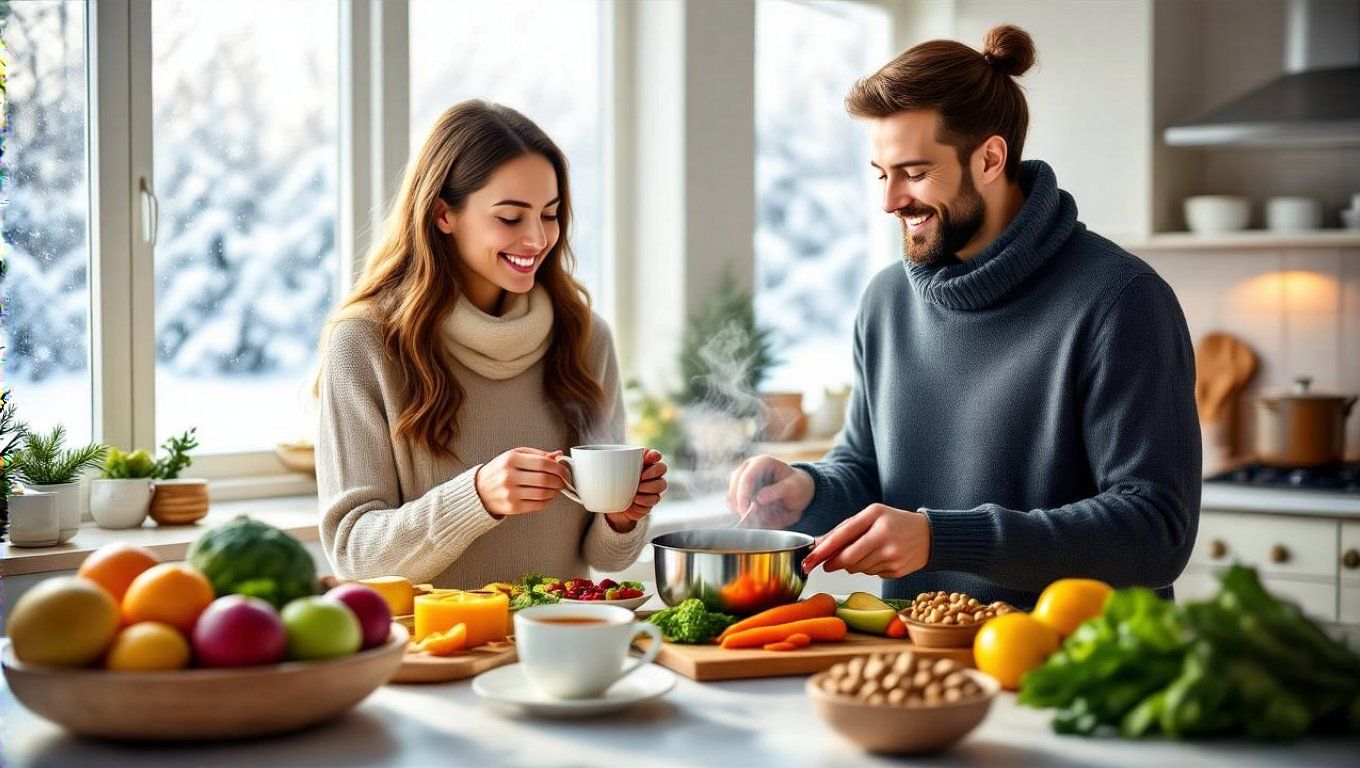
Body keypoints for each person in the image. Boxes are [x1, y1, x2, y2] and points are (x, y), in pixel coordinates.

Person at [727, 26, 1199, 606]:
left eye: (916, 172)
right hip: (917, 663)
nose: (890, 201)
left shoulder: (1121, 300)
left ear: (990, 158)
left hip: (1076, 674)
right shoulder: (886, 301)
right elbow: (867, 468)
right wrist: (806, 490)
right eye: (882, 174)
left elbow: (1156, 534)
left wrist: (944, 539)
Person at [317, 101, 666, 586]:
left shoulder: (585, 339)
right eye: (509, 218)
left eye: (550, 214)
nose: (537, 238)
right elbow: (354, 553)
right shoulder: (366, 343)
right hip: (438, 651)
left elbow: (607, 560)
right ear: (443, 214)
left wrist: (622, 515)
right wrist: (477, 497)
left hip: (563, 640)